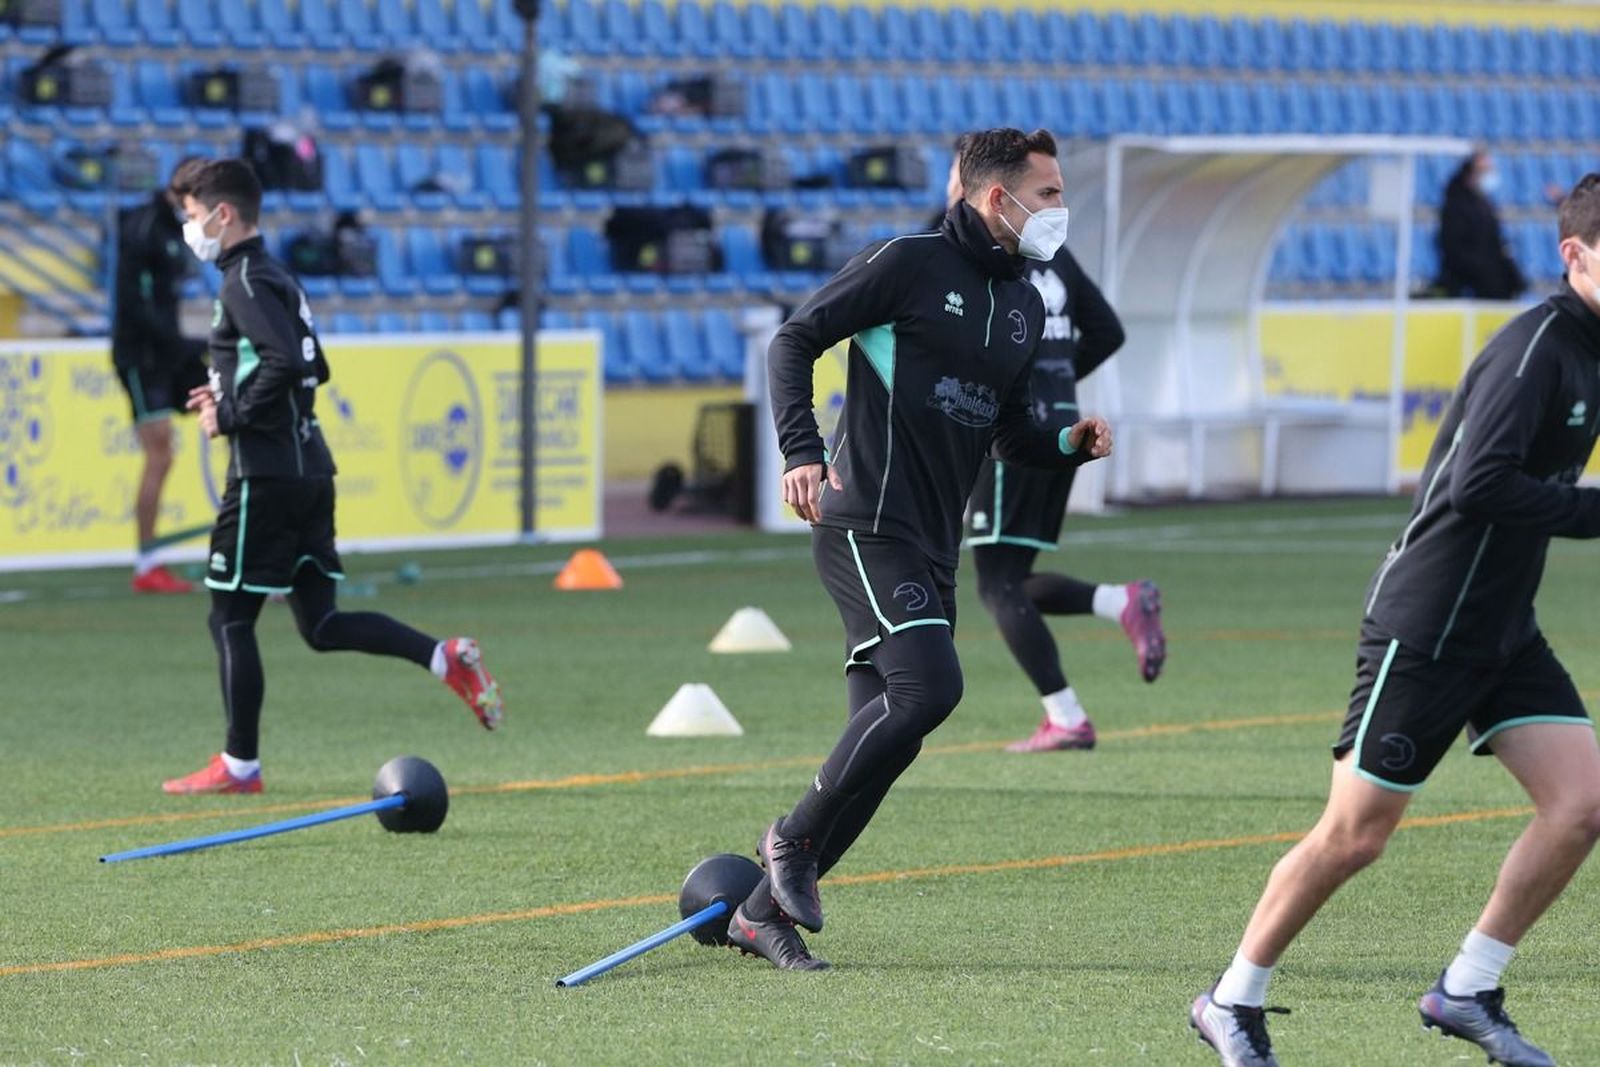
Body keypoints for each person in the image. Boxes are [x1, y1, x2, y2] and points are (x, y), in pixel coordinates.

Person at [1190, 174, 1600, 1067]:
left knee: (1583, 803)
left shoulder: (1593, 346)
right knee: (1355, 835)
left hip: (1502, 628)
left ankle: (1467, 988)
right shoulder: (1535, 349)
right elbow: (1475, 484)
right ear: (1574, 255)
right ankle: (1231, 999)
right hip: (1428, 623)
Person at [729, 128, 1113, 970]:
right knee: (932, 686)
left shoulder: (1023, 304)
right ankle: (787, 841)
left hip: (932, 546)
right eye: (1047, 193)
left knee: (889, 736)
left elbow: (1008, 434)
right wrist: (800, 449)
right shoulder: (906, 262)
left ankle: (759, 914)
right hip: (863, 520)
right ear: (994, 199)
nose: (1060, 209)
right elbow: (793, 340)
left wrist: (1067, 444)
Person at [163, 159, 505, 796]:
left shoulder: (241, 280)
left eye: (190, 216)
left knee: (230, 619)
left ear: (222, 214)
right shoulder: (278, 277)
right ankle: (442, 656)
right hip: (309, 470)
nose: (190, 228)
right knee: (319, 625)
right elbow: (313, 370)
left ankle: (239, 766)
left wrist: (230, 413)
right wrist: (225, 398)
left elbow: (287, 362)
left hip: (265, 476)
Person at [940, 149, 1166, 753]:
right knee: (1014, 574)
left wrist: (1028, 380)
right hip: (1062, 427)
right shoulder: (1050, 254)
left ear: (972, 185)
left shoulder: (988, 254)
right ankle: (1120, 601)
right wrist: (1058, 383)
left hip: (1014, 431)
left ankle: (1065, 715)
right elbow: (1108, 330)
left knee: (995, 583)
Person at [112, 157, 210, 593]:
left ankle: (154, 558)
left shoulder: (171, 228)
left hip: (163, 351)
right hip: (142, 355)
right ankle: (147, 564)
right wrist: (182, 345)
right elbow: (135, 304)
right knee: (159, 453)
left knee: (176, 446)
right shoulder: (147, 227)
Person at [1435, 150, 1526, 301]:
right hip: (1469, 283)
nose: (1489, 175)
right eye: (1485, 170)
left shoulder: (1483, 204)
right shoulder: (1456, 206)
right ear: (1471, 173)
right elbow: (1454, 249)